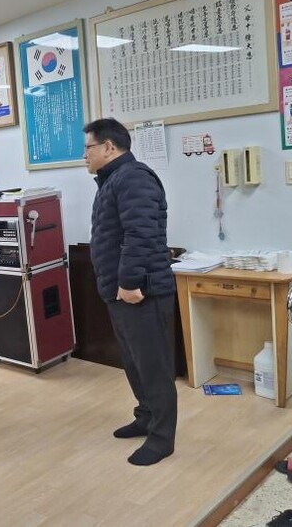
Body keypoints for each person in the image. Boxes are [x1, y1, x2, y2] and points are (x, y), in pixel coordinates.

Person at [83, 118, 177, 466]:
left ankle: (162, 438)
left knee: (153, 366)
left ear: (109, 147)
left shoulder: (133, 177)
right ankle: (146, 417)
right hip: (121, 291)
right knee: (135, 363)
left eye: (88, 148)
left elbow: (141, 234)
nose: (84, 155)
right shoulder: (113, 179)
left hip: (141, 291)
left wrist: (129, 282)